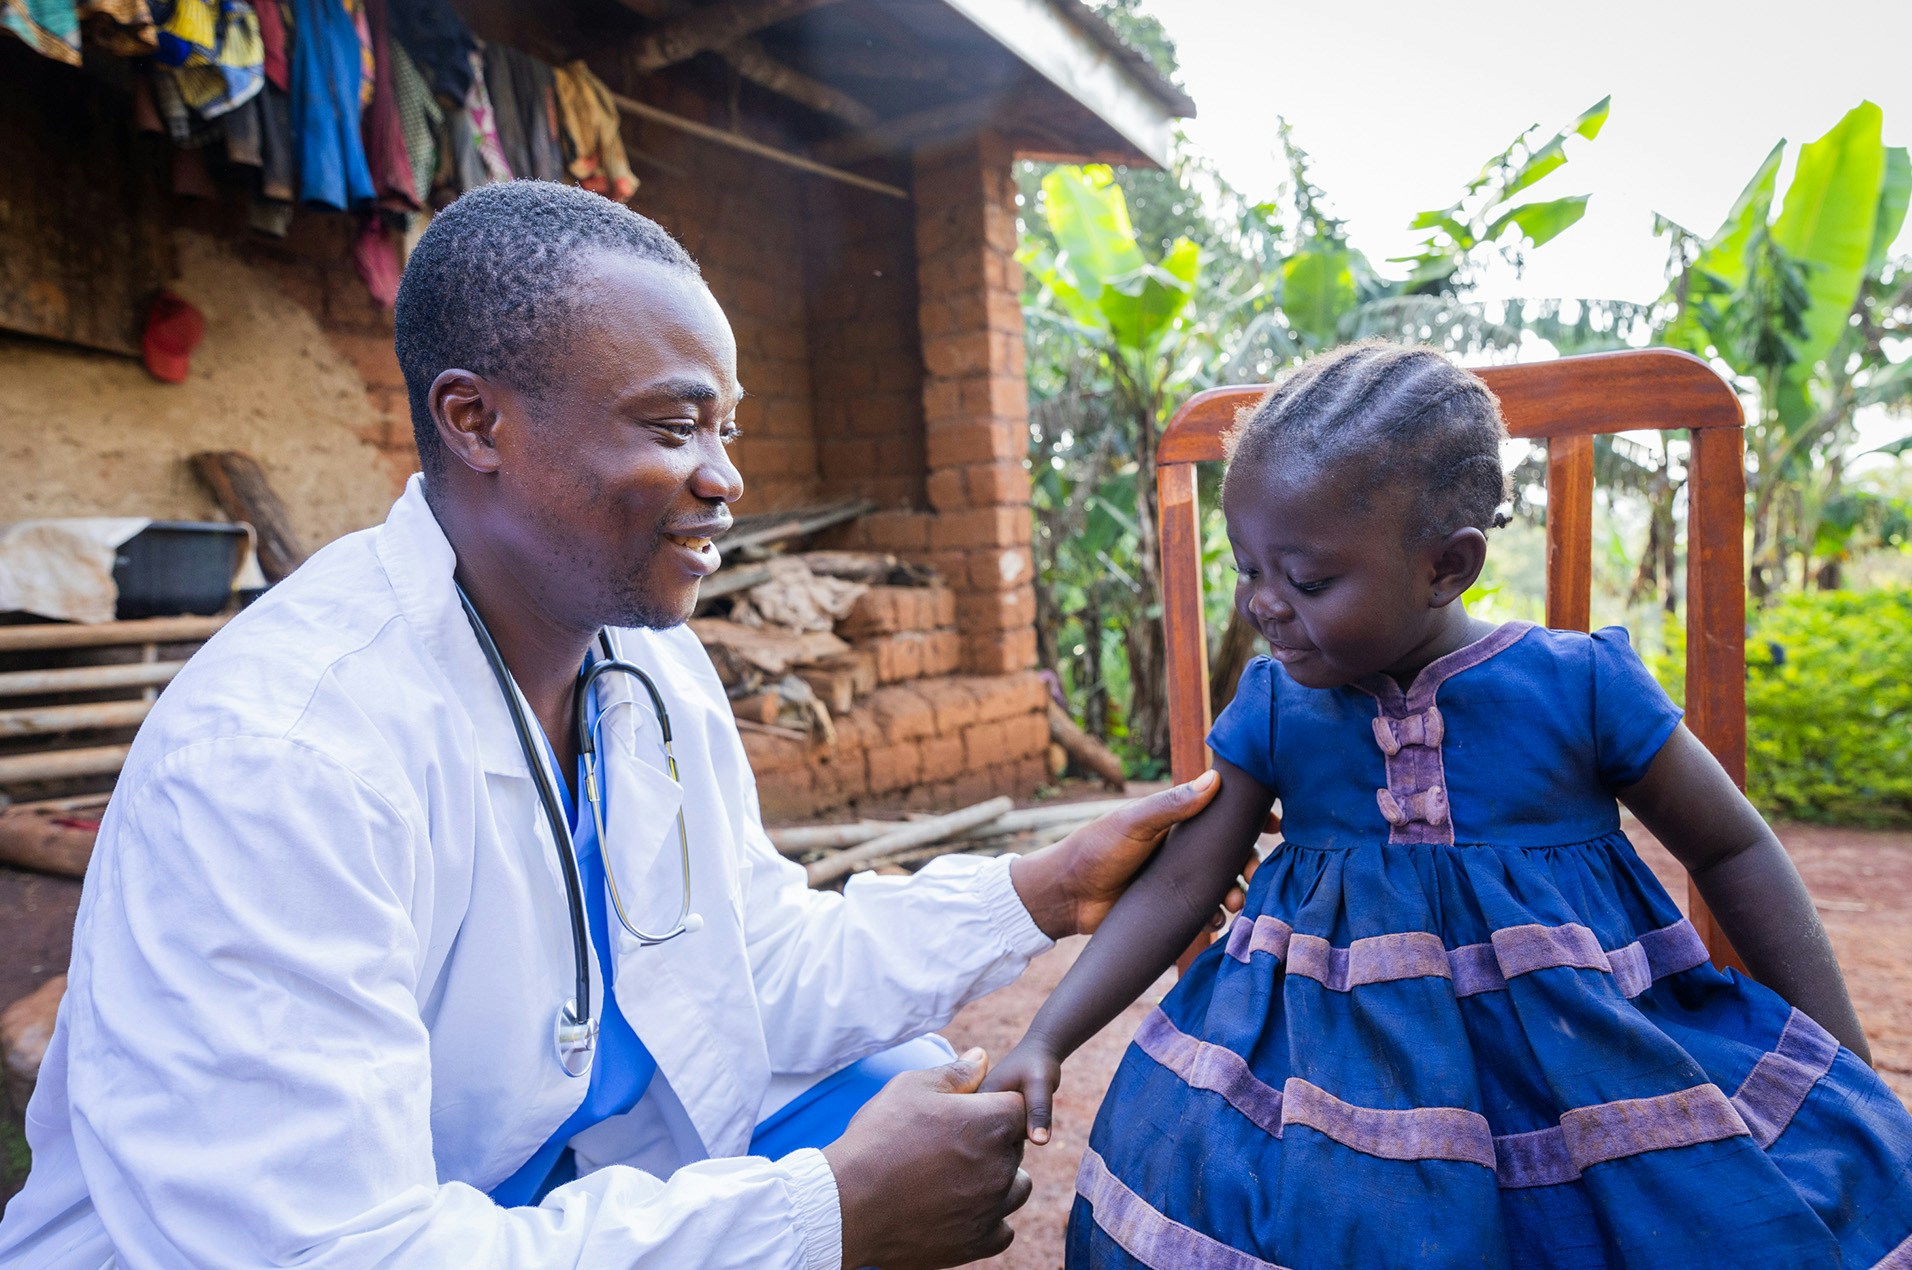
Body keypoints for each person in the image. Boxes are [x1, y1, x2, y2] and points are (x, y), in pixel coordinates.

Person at [0, 180, 1229, 1269]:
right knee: (856, 1175)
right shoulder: (286, 754)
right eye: (672, 423)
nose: (725, 476)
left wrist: (1042, 889)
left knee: (895, 1097)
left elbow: (757, 971)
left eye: (727, 428)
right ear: (477, 421)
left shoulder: (645, 670)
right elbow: (325, 1248)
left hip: (520, 1178)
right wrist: (822, 1221)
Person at [981, 343, 1912, 1268]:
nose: (1263, 604)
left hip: (1579, 1064)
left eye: (1305, 580)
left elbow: (1733, 849)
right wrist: (1047, 1035)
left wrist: (1841, 1060)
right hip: (1320, 1082)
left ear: (1446, 567)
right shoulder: (1274, 706)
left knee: (1703, 1214)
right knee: (1205, 1178)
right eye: (1245, 567)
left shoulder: (1581, 687)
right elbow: (1184, 881)